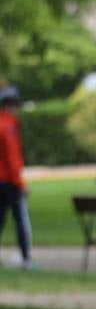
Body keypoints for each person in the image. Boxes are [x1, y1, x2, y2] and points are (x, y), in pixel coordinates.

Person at [0, 90, 33, 270]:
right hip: (9, 182)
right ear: (7, 107)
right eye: (15, 107)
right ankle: (26, 258)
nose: (17, 111)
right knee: (20, 219)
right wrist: (20, 183)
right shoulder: (9, 126)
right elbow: (13, 158)